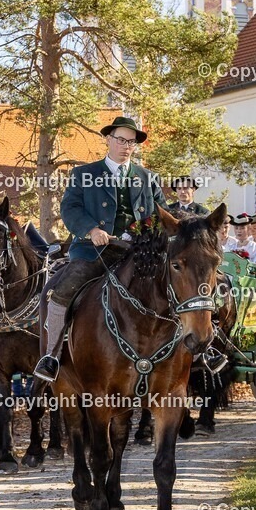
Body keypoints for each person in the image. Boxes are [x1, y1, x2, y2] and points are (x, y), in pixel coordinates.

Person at [34, 115, 171, 381]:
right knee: (62, 290)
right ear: (108, 140)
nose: (126, 146)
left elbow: (161, 214)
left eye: (131, 142)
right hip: (94, 251)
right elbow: (70, 208)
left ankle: (190, 351)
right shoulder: (85, 174)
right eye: (121, 140)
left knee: (175, 285)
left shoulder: (147, 178)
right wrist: (91, 230)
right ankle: (50, 355)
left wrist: (141, 232)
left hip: (137, 253)